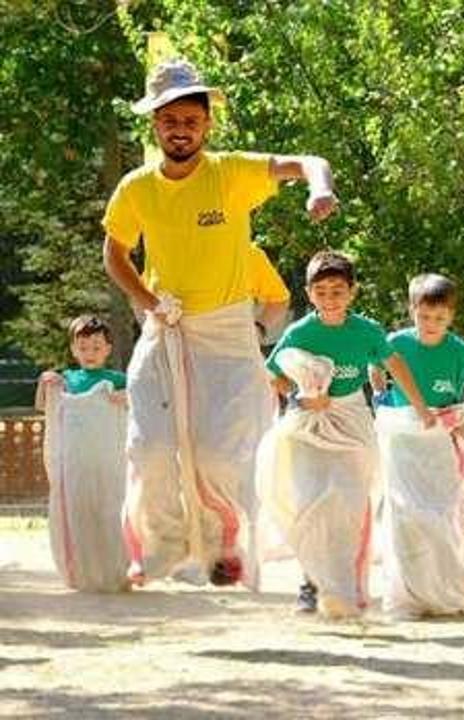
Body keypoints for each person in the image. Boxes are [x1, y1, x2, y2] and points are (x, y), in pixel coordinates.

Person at [102, 59, 337, 589]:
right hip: (166, 326)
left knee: (220, 452)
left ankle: (223, 543)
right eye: (169, 120)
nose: (180, 129)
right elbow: (114, 254)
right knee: (151, 447)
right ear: (155, 126)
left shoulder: (231, 173)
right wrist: (147, 300)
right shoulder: (136, 188)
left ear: (206, 125)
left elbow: (308, 160)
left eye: (190, 119)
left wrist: (319, 188)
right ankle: (159, 546)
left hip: (230, 333)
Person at [256, 251, 433, 619]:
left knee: (350, 502)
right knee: (312, 500)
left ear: (352, 291)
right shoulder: (299, 332)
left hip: (351, 418)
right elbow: (272, 373)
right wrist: (300, 396)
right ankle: (311, 582)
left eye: (338, 290)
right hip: (308, 423)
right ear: (309, 293)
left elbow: (393, 363)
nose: (330, 298)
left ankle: (346, 583)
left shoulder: (366, 331)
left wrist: (421, 406)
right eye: (321, 291)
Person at [373, 273, 464, 618]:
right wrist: (381, 395)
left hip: (439, 440)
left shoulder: (459, 351)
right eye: (424, 316)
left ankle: (447, 587)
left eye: (440, 318)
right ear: (412, 310)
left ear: (451, 317)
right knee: (405, 512)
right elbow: (376, 365)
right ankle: (407, 593)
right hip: (402, 437)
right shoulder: (397, 342)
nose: (431, 324)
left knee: (440, 513)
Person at [36, 315, 130, 592]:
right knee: (79, 511)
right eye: (84, 347)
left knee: (111, 510)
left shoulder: (118, 379)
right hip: (76, 459)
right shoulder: (67, 380)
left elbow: (146, 402)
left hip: (109, 460)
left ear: (108, 349)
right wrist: (45, 383)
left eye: (97, 347)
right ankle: (81, 570)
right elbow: (44, 406)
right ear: (74, 349)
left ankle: (116, 569)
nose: (90, 354)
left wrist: (127, 396)